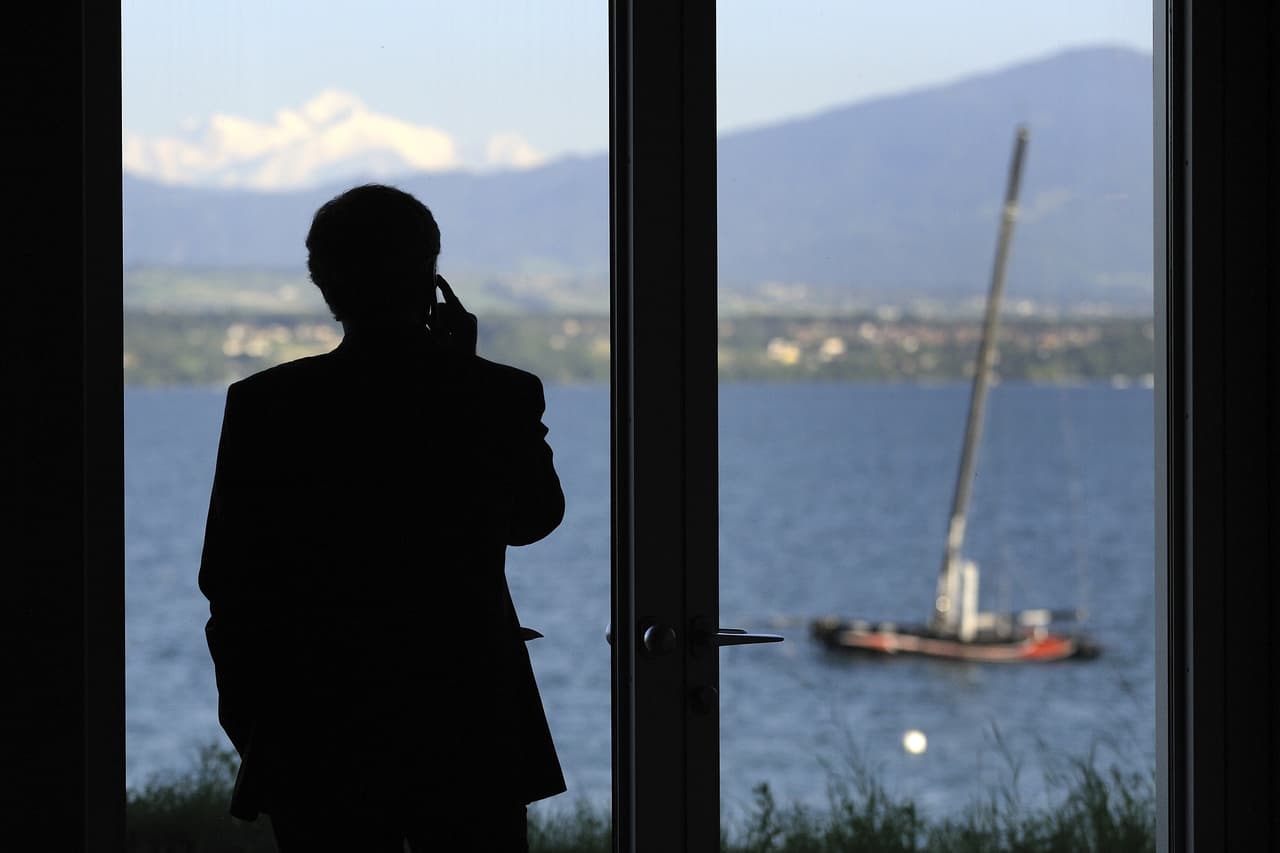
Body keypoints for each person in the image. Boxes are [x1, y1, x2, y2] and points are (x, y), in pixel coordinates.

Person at [198, 184, 566, 851]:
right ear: (431, 277)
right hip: (468, 726)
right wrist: (465, 376)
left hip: (314, 728)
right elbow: (534, 517)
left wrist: (254, 723)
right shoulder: (498, 394)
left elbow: (228, 578)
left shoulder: (265, 407)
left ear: (324, 283)